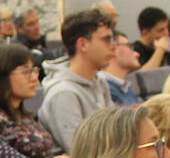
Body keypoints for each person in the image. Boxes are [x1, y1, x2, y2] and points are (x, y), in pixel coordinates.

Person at [0, 42, 67, 158]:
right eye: (25, 72)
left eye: (34, 70)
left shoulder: (24, 115)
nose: (34, 78)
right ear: (2, 76)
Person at [38, 8, 115, 150]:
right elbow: (81, 153)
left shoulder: (99, 81)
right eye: (106, 40)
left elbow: (115, 131)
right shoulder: (63, 93)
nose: (113, 46)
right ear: (82, 44)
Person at [100, 32, 142, 105]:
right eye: (129, 46)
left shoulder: (126, 89)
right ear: (112, 49)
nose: (137, 54)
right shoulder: (103, 89)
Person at [133, 6, 170, 70]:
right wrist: (160, 50)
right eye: (161, 30)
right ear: (145, 32)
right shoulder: (134, 52)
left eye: (167, 28)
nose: (166, 33)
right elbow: (141, 77)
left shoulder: (167, 55)